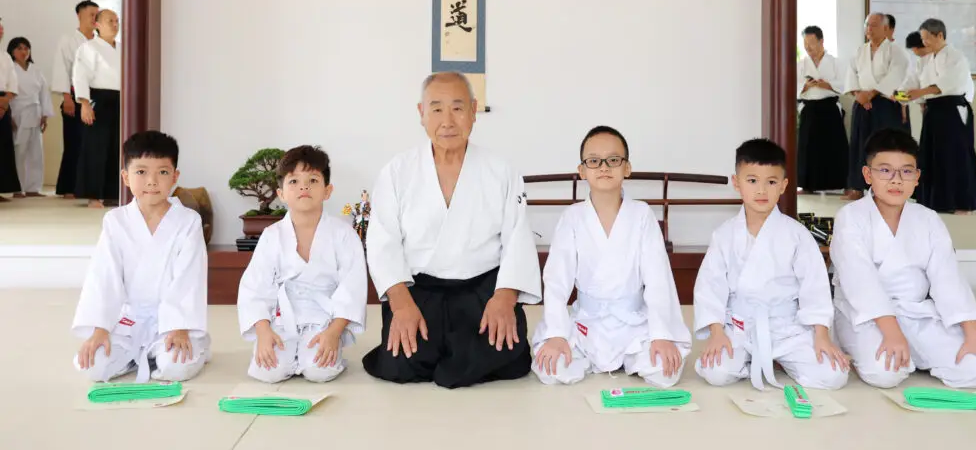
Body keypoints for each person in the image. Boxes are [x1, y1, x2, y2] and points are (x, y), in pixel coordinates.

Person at [363, 71, 541, 389]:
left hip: (483, 293)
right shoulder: (397, 171)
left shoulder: (500, 169)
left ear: (473, 111)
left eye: (457, 108)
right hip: (418, 292)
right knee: (400, 366)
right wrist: (401, 304)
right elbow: (382, 241)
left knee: (511, 359)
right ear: (421, 114)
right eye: (436, 108)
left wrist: (504, 298)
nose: (447, 120)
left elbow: (518, 238)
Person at [830, 129, 976, 389]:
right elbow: (859, 281)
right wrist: (892, 331)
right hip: (863, 315)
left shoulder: (928, 218)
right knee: (884, 375)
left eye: (906, 171)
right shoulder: (850, 217)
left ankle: (913, 351)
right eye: (885, 171)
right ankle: (896, 349)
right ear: (868, 175)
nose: (896, 180)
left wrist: (974, 332)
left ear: (917, 177)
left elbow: (948, 278)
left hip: (915, 311)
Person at [531, 126, 691, 387]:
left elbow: (658, 278)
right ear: (582, 170)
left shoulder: (642, 215)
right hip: (587, 321)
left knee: (665, 371)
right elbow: (556, 281)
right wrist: (558, 334)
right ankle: (587, 353)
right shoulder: (572, 217)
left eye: (613, 160)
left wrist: (661, 334)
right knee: (551, 369)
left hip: (634, 321)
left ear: (626, 168)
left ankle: (632, 356)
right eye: (594, 161)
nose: (604, 167)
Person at [694, 138, 849, 391]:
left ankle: (775, 358)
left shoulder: (797, 235)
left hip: (787, 327)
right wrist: (717, 332)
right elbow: (710, 286)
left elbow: (815, 287)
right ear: (737, 183)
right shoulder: (724, 235)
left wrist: (822, 336)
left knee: (834, 375)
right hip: (740, 326)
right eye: (752, 180)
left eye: (771, 182)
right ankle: (756, 360)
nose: (761, 191)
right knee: (716, 372)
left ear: (784, 185)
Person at [72, 130, 210, 383]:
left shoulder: (188, 222)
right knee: (91, 367)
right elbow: (104, 277)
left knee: (174, 369)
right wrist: (100, 328)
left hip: (173, 323)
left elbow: (189, 278)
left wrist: (180, 327)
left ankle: (176, 349)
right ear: (125, 177)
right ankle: (136, 354)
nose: (152, 181)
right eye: (141, 172)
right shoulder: (115, 221)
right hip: (128, 321)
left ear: (175, 177)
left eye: (163, 172)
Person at [237, 145, 367, 384]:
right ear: (281, 193)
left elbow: (352, 287)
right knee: (269, 372)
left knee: (319, 371)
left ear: (327, 191)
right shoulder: (271, 235)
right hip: (280, 318)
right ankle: (285, 350)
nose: (304, 187)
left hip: (324, 318)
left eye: (313, 180)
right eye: (294, 181)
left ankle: (326, 347)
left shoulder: (344, 234)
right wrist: (263, 331)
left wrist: (334, 332)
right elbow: (255, 286)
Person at [904, 19, 976, 214]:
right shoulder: (925, 59)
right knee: (932, 154)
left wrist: (919, 93)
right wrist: (901, 94)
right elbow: (913, 82)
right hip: (933, 110)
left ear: (939, 35)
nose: (924, 43)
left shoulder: (956, 57)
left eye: (927, 38)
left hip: (952, 109)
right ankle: (934, 200)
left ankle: (961, 202)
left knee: (955, 155)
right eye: (922, 39)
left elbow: (946, 84)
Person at [844, 12, 908, 199]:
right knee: (859, 144)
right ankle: (857, 185)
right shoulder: (860, 51)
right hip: (862, 102)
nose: (869, 29)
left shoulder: (896, 51)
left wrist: (871, 94)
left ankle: (886, 186)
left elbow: (895, 76)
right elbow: (851, 74)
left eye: (873, 25)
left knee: (884, 146)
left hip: (885, 103)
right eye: (867, 25)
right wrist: (859, 95)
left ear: (886, 29)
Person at [73, 9, 120, 208]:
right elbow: (80, 75)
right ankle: (93, 195)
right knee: (96, 148)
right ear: (97, 25)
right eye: (110, 20)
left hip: (121, 100)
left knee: (117, 147)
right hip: (99, 99)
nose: (115, 24)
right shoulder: (89, 47)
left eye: (117, 21)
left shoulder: (124, 48)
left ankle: (112, 192)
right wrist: (84, 103)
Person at [52, 0, 98, 199]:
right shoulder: (69, 40)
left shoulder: (100, 41)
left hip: (97, 98)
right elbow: (62, 69)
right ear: (79, 16)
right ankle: (68, 186)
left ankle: (89, 186)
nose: (95, 19)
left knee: (93, 144)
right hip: (75, 97)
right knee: (74, 143)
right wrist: (67, 98)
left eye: (97, 15)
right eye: (91, 15)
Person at [796, 26, 848, 193]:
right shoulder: (801, 64)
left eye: (811, 43)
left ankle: (835, 183)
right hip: (809, 108)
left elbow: (844, 84)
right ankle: (807, 184)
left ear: (821, 41)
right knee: (807, 147)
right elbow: (792, 86)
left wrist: (828, 85)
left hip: (829, 108)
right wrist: (805, 86)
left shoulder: (835, 62)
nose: (808, 48)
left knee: (832, 146)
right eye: (805, 44)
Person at [8, 37, 53, 197]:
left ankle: (33, 187)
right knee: (19, 152)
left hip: (35, 112)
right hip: (18, 112)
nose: (24, 51)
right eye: (19, 48)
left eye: (26, 48)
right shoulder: (10, 69)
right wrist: (9, 116)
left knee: (36, 152)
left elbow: (44, 94)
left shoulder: (36, 70)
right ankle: (17, 188)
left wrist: (45, 115)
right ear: (12, 51)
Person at [0, 17, 20, 202]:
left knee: (3, 147)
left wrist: (4, 102)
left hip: (3, 102)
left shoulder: (5, 56)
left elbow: (12, 83)